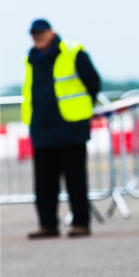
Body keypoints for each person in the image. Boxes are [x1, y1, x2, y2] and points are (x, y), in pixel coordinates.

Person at [22, 18, 101, 239]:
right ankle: (47, 225)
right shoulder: (31, 58)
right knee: (44, 183)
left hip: (71, 127)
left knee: (75, 180)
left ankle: (81, 223)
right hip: (42, 128)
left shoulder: (73, 52)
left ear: (52, 32)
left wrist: (83, 108)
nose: (37, 36)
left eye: (40, 32)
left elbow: (93, 82)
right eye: (34, 33)